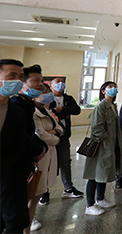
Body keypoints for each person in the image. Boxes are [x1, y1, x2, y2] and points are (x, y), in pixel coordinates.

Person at [0, 60, 45, 234]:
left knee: (16, 220)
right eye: (11, 76)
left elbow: (19, 143)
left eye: (20, 77)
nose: (17, 81)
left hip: (11, 175)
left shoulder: (16, 112)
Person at [40, 77, 83, 202]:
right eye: (57, 82)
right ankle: (44, 191)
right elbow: (48, 113)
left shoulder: (68, 99)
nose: (60, 84)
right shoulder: (47, 98)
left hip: (63, 136)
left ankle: (68, 188)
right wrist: (63, 114)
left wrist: (62, 109)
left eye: (62, 82)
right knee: (46, 164)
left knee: (65, 162)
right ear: (51, 86)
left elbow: (76, 110)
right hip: (48, 137)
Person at [82, 81, 122, 216]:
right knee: (94, 174)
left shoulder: (112, 106)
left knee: (103, 173)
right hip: (101, 146)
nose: (113, 89)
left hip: (110, 145)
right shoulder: (101, 106)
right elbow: (97, 127)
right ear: (103, 91)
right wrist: (106, 140)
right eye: (110, 87)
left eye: (115, 87)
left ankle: (100, 199)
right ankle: (89, 205)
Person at [29, 85, 63, 232]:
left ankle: (31, 215)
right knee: (33, 189)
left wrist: (53, 132)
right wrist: (55, 137)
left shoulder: (46, 111)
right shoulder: (32, 112)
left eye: (48, 92)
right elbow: (40, 135)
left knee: (41, 189)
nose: (48, 95)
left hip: (49, 152)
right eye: (44, 92)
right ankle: (29, 218)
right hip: (39, 153)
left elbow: (60, 128)